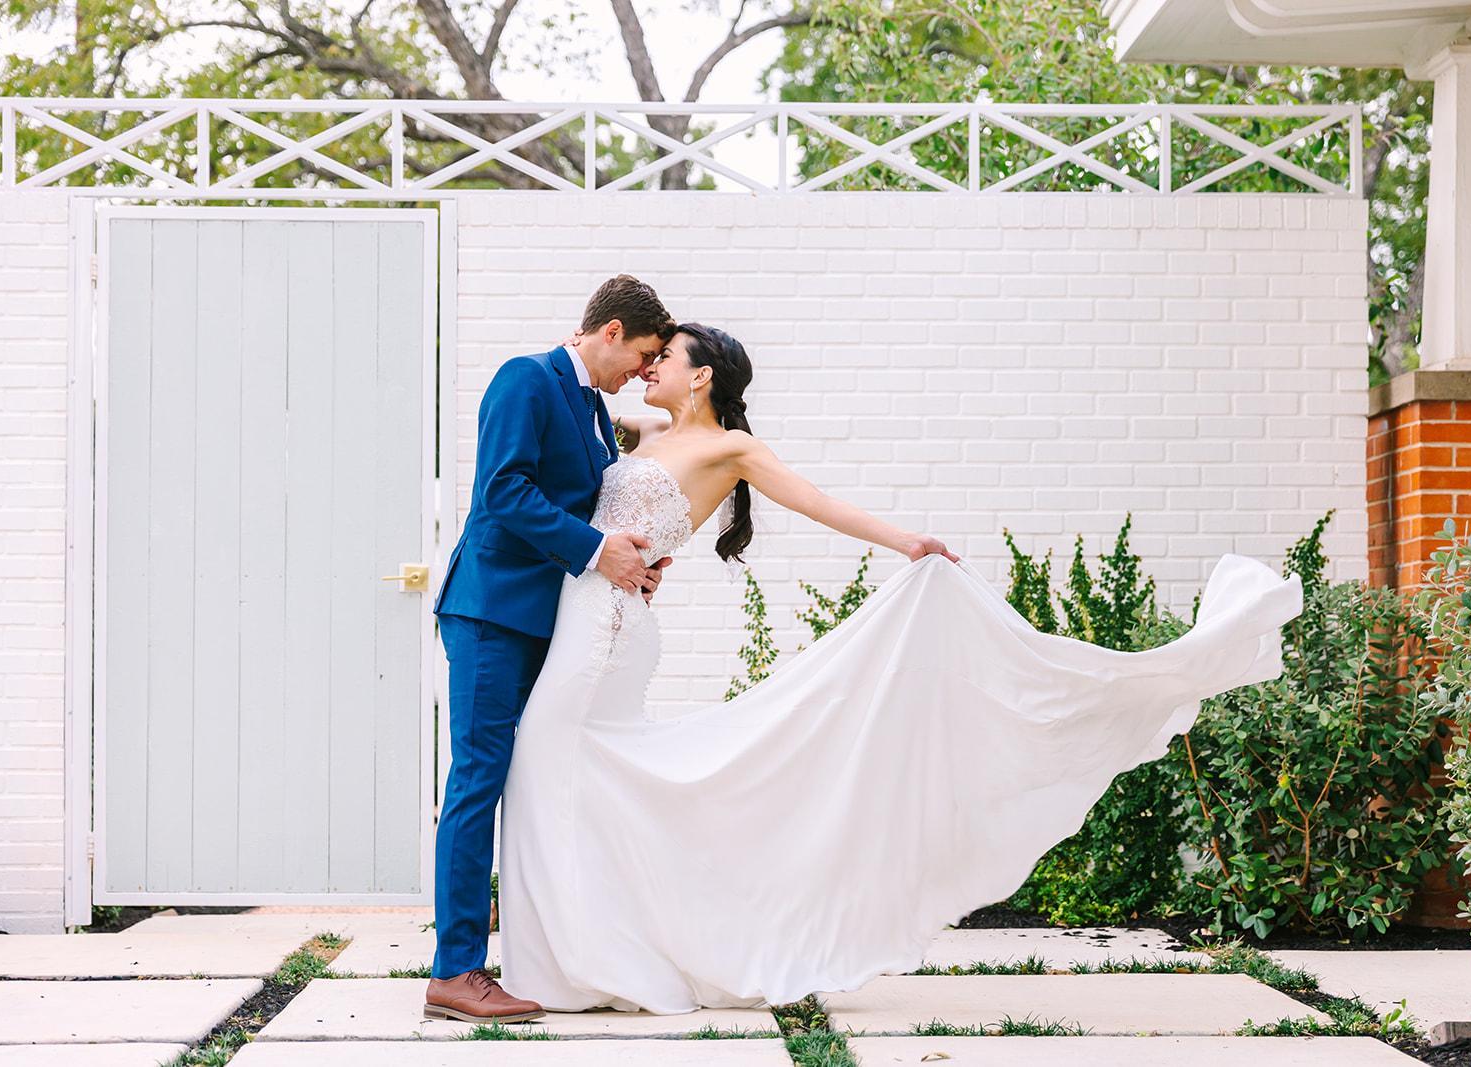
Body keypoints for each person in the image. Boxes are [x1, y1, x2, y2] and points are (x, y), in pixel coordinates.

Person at [493, 322, 1305, 1014]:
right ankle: (597, 946)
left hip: (609, 629)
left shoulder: (730, 446)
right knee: (575, 769)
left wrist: (905, 541)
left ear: (701, 375)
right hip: (591, 613)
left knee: (549, 758)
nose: (650, 367)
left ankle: (591, 957)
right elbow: (571, 427)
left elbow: (814, 499)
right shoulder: (639, 433)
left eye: (664, 357)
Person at [425, 275, 676, 1023]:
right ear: (611, 331)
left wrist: (636, 554)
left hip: (547, 620)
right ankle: (455, 971)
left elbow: (590, 501)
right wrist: (599, 552)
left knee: (530, 780)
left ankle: (532, 950)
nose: (644, 369)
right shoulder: (525, 378)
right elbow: (503, 491)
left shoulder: (594, 409)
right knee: (478, 780)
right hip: (492, 613)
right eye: (643, 353)